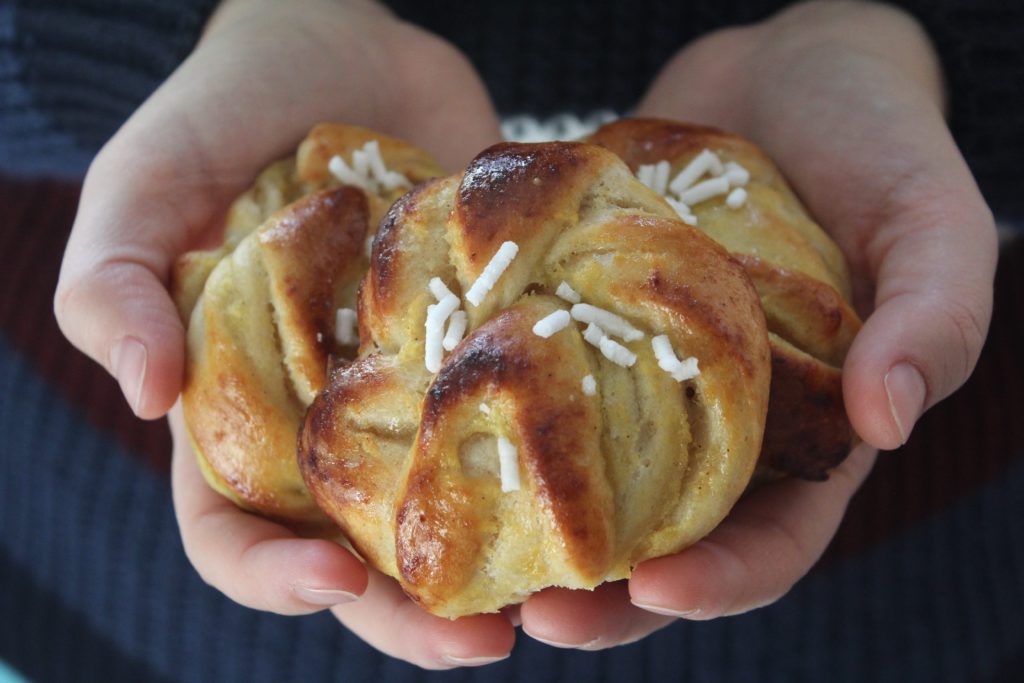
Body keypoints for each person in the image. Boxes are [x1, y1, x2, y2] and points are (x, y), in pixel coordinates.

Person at [48, 0, 999, 671]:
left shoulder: (631, 277)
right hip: (114, 568)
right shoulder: (396, 295)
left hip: (926, 583)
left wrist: (907, 35)